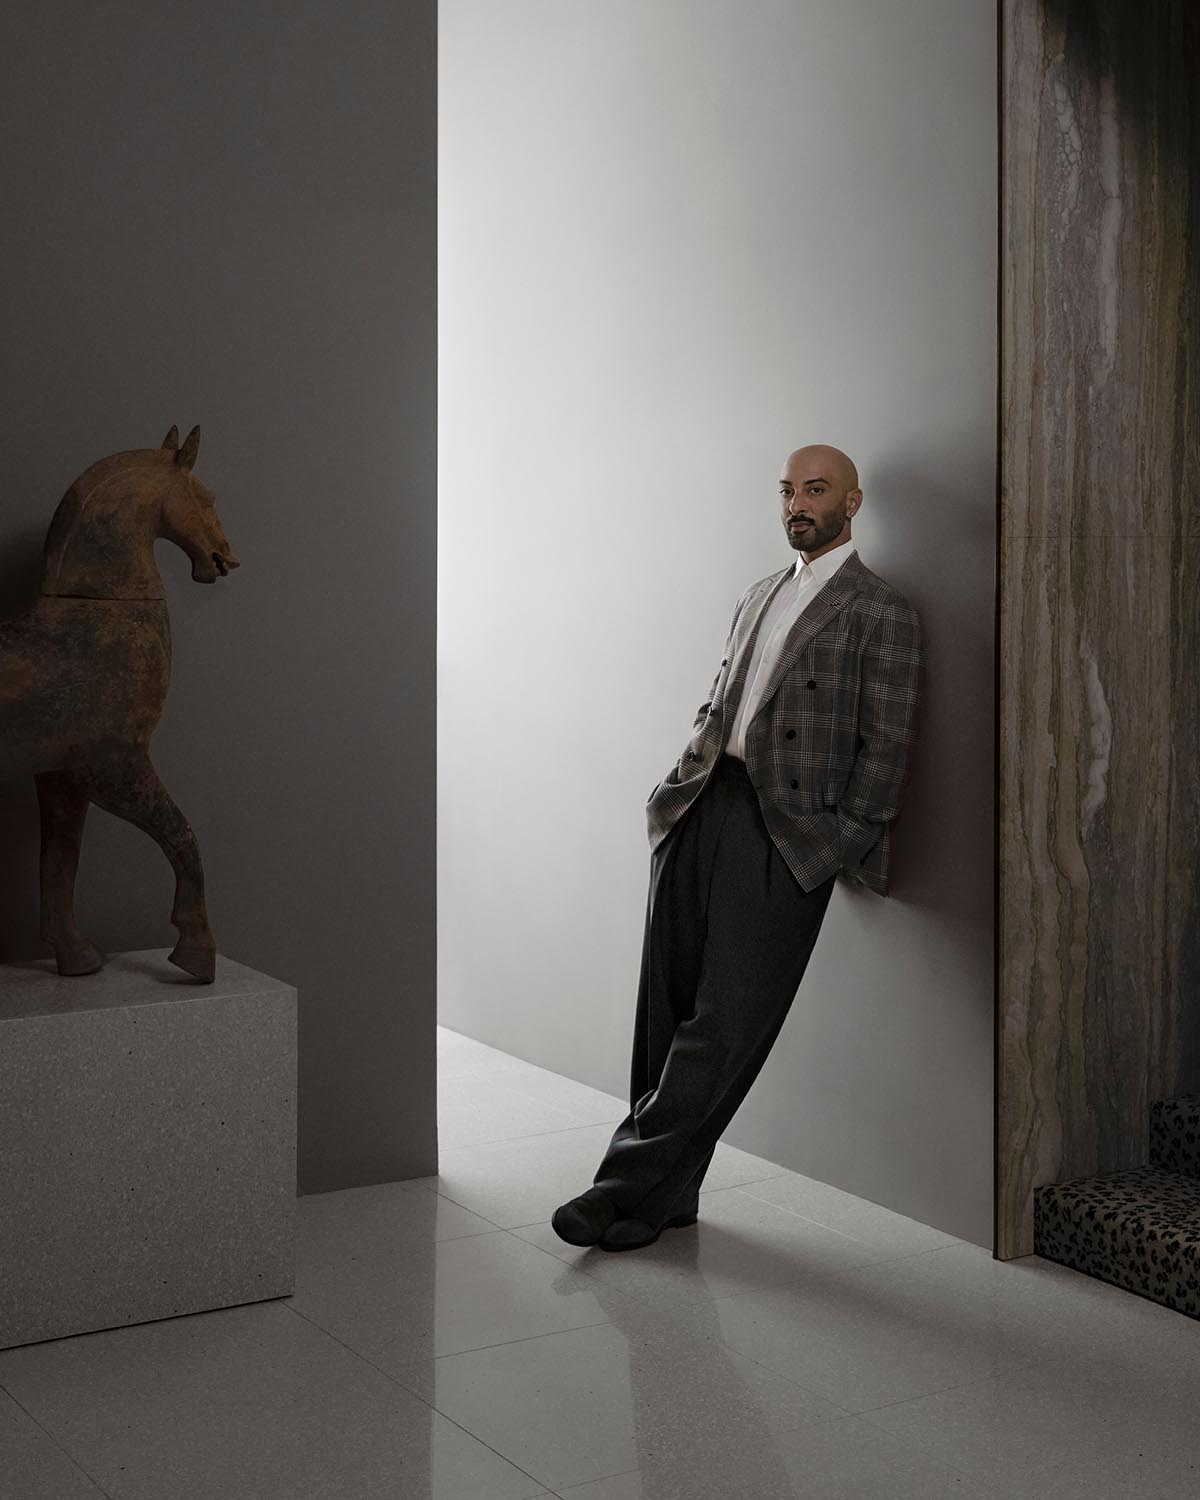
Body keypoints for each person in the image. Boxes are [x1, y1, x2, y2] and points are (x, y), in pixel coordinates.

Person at [552, 444, 924, 1251]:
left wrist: (839, 842)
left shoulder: (879, 610)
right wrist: (672, 791)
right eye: (788, 490)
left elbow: (887, 748)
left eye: (816, 490)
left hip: (786, 831)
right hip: (702, 803)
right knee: (668, 1005)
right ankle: (663, 1200)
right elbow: (722, 695)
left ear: (852, 502)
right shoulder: (760, 592)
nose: (798, 503)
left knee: (725, 1022)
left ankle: (615, 1189)